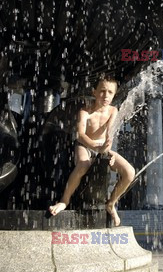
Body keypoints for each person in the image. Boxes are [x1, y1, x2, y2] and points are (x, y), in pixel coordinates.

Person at [49, 77, 135, 226]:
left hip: (103, 147)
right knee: (83, 165)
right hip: (84, 145)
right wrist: (96, 148)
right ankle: (64, 200)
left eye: (110, 92)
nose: (106, 95)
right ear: (94, 92)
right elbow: (80, 135)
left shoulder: (113, 110)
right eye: (102, 91)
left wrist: (106, 154)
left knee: (129, 172)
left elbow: (109, 135)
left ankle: (111, 203)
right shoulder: (85, 111)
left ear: (114, 94)